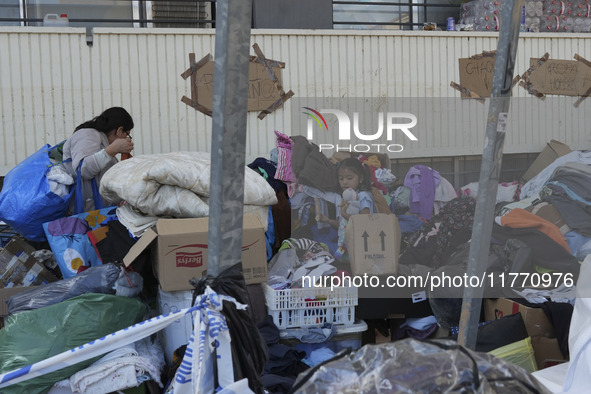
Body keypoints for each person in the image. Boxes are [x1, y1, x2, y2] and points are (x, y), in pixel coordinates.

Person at [63, 107, 135, 212]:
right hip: (83, 215)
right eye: (127, 134)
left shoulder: (103, 144)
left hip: (96, 212)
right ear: (120, 130)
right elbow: (83, 169)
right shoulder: (87, 134)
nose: (127, 138)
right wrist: (112, 150)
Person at [318, 157, 376, 258]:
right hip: (347, 245)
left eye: (349, 178)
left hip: (362, 247)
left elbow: (364, 222)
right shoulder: (348, 197)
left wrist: (344, 214)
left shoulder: (363, 197)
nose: (344, 182)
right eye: (341, 178)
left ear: (361, 178)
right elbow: (343, 226)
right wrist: (328, 220)